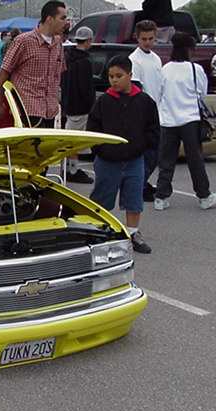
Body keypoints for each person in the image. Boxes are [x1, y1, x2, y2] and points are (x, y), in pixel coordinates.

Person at [86, 55, 159, 254]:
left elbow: (153, 129)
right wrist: (100, 150)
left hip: (135, 160)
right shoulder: (103, 101)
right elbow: (93, 129)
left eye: (119, 76)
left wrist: (143, 149)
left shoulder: (144, 101)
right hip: (108, 161)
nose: (114, 80)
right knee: (102, 198)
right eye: (111, 76)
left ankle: (133, 233)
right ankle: (98, 232)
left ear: (130, 75)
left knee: (134, 199)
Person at [155, 33, 216, 211]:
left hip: (168, 120)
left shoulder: (165, 69)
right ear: (189, 49)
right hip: (190, 119)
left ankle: (161, 197)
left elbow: (159, 93)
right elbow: (202, 93)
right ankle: (204, 196)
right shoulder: (195, 69)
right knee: (195, 160)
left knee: (166, 160)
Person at [0, 1, 68, 129]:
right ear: (49, 19)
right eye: (63, 18)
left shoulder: (58, 43)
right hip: (28, 111)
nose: (66, 23)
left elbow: (59, 74)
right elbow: (3, 73)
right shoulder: (23, 41)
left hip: (50, 111)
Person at [129, 20, 163, 202]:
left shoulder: (156, 58)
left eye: (151, 38)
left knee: (154, 154)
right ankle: (139, 186)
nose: (148, 42)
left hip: (158, 112)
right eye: (144, 39)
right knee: (148, 154)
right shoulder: (134, 60)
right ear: (137, 38)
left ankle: (141, 184)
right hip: (144, 115)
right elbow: (136, 90)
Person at [60, 26, 95, 184]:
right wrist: (91, 105)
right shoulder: (84, 61)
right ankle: (72, 171)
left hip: (67, 104)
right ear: (88, 41)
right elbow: (86, 87)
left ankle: (67, 169)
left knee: (70, 138)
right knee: (74, 141)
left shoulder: (67, 57)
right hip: (80, 107)